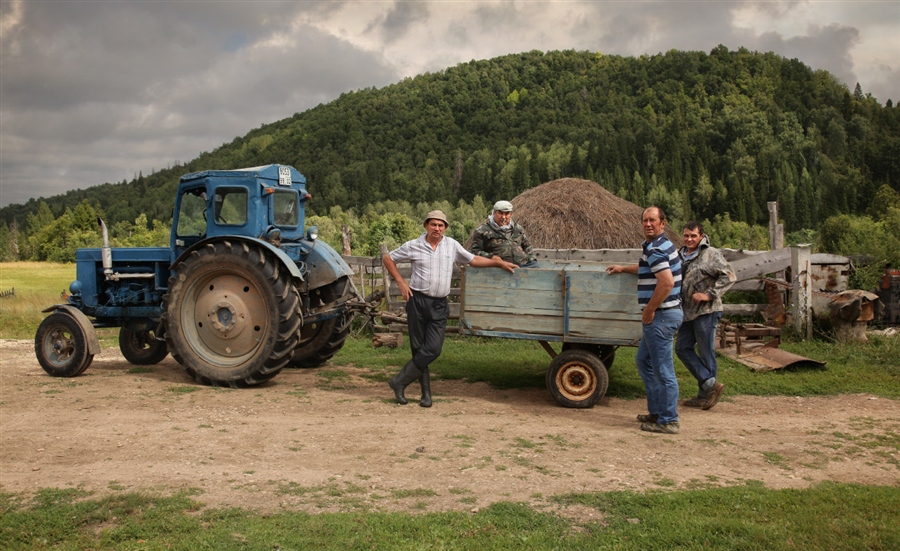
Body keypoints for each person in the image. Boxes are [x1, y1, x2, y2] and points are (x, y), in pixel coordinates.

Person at [383, 210, 517, 407]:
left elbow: (473, 259)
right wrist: (401, 282)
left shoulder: (452, 245)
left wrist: (498, 263)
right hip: (417, 301)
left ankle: (399, 381)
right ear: (426, 225)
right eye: (433, 224)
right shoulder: (413, 245)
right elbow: (388, 258)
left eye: (441, 225)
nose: (437, 228)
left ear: (445, 228)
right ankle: (425, 395)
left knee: (433, 349)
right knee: (419, 349)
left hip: (439, 304)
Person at [606, 206, 683, 434]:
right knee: (644, 361)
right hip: (665, 315)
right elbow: (648, 269)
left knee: (663, 370)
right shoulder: (658, 246)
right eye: (645, 220)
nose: (648, 224)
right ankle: (657, 411)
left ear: (662, 223)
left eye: (652, 220)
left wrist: (650, 309)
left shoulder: (656, 249)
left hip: (661, 316)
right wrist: (623, 268)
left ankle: (668, 420)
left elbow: (666, 282)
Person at [675, 222, 735, 410]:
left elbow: (729, 276)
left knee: (705, 351)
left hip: (706, 310)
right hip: (687, 312)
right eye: (686, 236)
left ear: (701, 236)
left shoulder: (710, 254)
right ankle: (711, 385)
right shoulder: (681, 255)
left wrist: (709, 294)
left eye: (693, 236)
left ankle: (705, 395)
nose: (689, 239)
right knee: (682, 348)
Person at [469, 200, 539, 268]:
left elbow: (527, 246)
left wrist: (532, 259)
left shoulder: (518, 228)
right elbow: (475, 252)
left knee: (536, 267)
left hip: (522, 266)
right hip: (499, 268)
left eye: (506, 214)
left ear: (510, 214)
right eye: (500, 213)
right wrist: (491, 257)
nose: (503, 217)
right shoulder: (482, 231)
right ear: (494, 213)